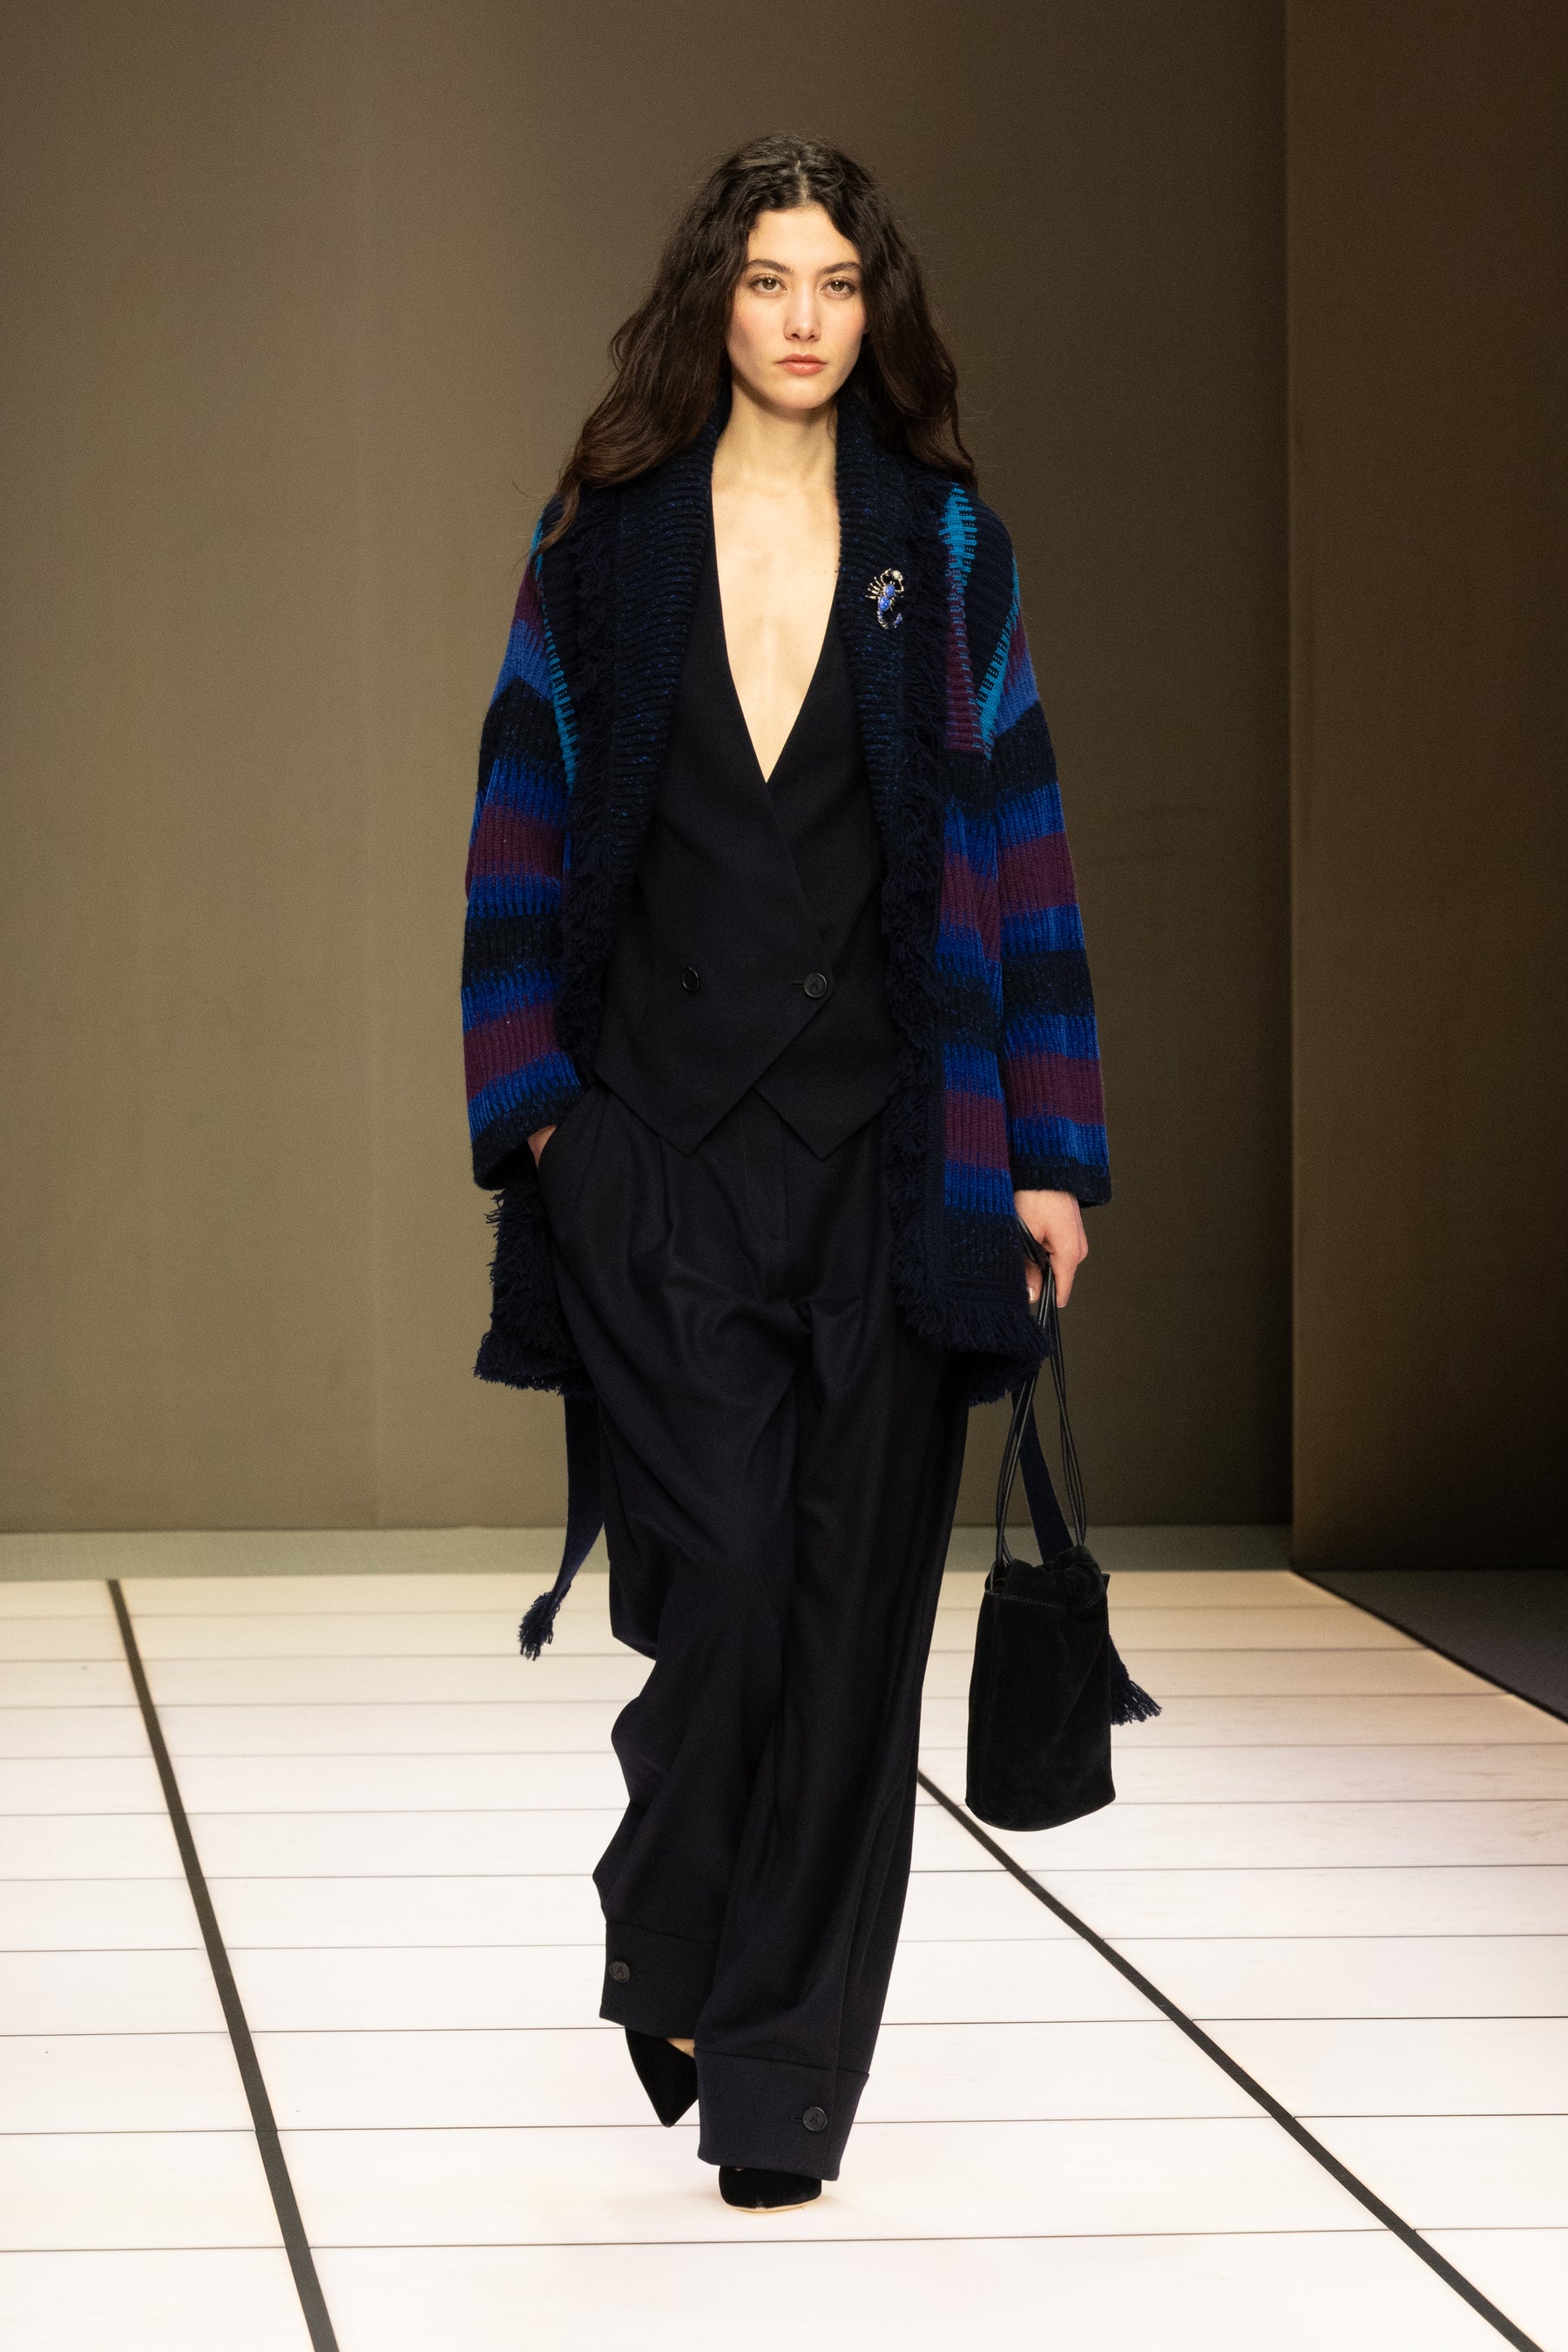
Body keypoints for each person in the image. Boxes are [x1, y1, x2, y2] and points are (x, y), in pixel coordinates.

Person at [460, 134, 1110, 2212]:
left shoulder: (947, 549)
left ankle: (777, 2098)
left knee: (851, 1638)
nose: (805, 317)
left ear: (873, 305)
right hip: (652, 1152)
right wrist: (537, 1110)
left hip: (894, 1160)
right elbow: (520, 811)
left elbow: (1020, 847)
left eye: (836, 281)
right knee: (733, 1573)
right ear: (714, 303)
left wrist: (1051, 1152)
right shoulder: (606, 543)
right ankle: (670, 1936)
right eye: (768, 280)